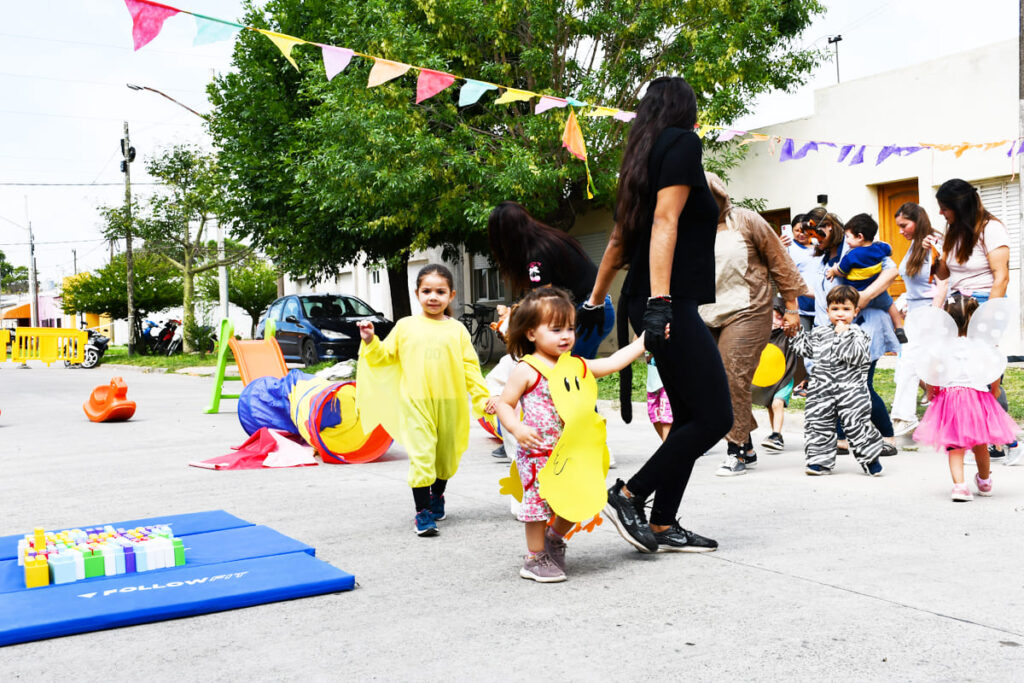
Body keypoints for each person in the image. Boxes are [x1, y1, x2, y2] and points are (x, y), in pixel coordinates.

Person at [584, 76, 731, 554]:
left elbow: (618, 241)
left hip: (649, 298)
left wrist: (594, 301)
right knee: (715, 418)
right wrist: (662, 304)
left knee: (689, 415)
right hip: (667, 302)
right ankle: (629, 495)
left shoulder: (641, 160)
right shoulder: (684, 143)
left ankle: (664, 523)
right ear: (686, 110)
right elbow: (665, 224)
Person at [495, 287, 646, 582]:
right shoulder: (528, 369)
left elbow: (612, 362)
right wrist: (517, 428)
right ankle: (534, 558)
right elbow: (504, 404)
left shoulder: (576, 366)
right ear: (530, 334)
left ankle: (554, 538)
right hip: (538, 454)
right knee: (538, 508)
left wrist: (643, 342)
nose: (565, 335)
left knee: (576, 501)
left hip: (571, 454)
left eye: (569, 328)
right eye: (555, 329)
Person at [356, 264, 490, 537]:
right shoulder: (405, 326)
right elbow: (384, 357)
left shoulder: (457, 331)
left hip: (451, 403)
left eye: (440, 292)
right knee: (422, 456)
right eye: (426, 291)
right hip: (415, 402)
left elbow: (470, 369)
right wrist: (370, 340)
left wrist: (483, 398)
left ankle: (437, 494)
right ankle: (423, 512)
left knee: (446, 458)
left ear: (451, 296)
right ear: (416, 293)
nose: (433, 297)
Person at [700, 172, 808, 476]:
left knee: (732, 375)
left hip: (748, 309)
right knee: (712, 381)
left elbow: (780, 263)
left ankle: (735, 451)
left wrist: (792, 308)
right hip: (705, 312)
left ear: (720, 195)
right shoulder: (689, 228)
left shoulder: (746, 220)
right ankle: (746, 443)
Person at [803, 207, 901, 458]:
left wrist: (865, 297)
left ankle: (887, 435)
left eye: (818, 230)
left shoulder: (860, 248)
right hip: (834, 330)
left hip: (866, 324)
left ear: (833, 227)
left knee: (861, 384)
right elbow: (822, 298)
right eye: (810, 233)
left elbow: (892, 270)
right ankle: (843, 438)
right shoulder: (822, 260)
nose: (815, 236)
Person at [931, 178, 1014, 459]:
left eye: (944, 208)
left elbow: (1001, 277)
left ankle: (1001, 439)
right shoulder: (954, 230)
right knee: (959, 371)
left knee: (986, 370)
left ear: (959, 205)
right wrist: (935, 256)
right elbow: (944, 275)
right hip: (957, 306)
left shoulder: (991, 229)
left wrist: (988, 320)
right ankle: (966, 436)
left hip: (981, 306)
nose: (941, 213)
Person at [912, 295, 1018, 501]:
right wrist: (995, 390)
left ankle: (960, 487)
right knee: (981, 444)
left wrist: (932, 391)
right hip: (978, 398)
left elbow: (933, 373)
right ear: (976, 318)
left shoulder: (941, 346)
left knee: (955, 446)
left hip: (951, 399)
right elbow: (994, 368)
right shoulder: (984, 345)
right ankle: (985, 482)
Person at [488, 201, 612, 358]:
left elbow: (543, 303)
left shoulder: (536, 255)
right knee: (579, 376)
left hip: (589, 313)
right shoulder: (549, 240)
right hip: (597, 309)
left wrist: (512, 322)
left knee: (569, 374)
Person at [791, 285, 885, 476]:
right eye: (835, 309)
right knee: (818, 423)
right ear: (827, 311)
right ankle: (819, 462)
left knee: (857, 424)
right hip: (821, 390)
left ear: (855, 311)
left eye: (846, 309)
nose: (840, 314)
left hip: (851, 392)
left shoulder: (859, 334)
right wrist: (794, 334)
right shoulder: (820, 333)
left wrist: (843, 335)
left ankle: (870, 458)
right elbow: (806, 349)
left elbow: (854, 355)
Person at [889, 203, 941, 436]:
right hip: (914, 313)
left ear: (918, 221)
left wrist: (935, 313)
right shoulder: (914, 246)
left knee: (913, 364)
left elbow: (943, 283)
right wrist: (903, 302)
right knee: (910, 365)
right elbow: (915, 283)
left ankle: (904, 417)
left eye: (904, 225)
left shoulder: (934, 244)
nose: (900, 230)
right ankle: (909, 416)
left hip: (929, 314)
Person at [824, 213, 906, 342]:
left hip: (856, 293)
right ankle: (899, 328)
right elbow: (889, 249)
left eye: (848, 237)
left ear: (860, 237)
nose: (847, 241)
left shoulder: (852, 255)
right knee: (890, 305)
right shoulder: (879, 248)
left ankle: (844, 332)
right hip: (878, 293)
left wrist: (833, 270)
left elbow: (841, 271)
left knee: (850, 312)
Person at [754, 298, 805, 453]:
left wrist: (794, 323)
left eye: (779, 318)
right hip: (770, 378)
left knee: (777, 403)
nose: (775, 322)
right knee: (771, 405)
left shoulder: (788, 334)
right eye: (771, 317)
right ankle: (775, 434)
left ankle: (776, 435)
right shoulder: (760, 335)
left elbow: (800, 336)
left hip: (785, 378)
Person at [645, 353, 672, 442]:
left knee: (666, 417)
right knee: (654, 415)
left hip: (670, 379)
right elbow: (636, 343)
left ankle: (669, 452)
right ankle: (673, 445)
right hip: (653, 380)